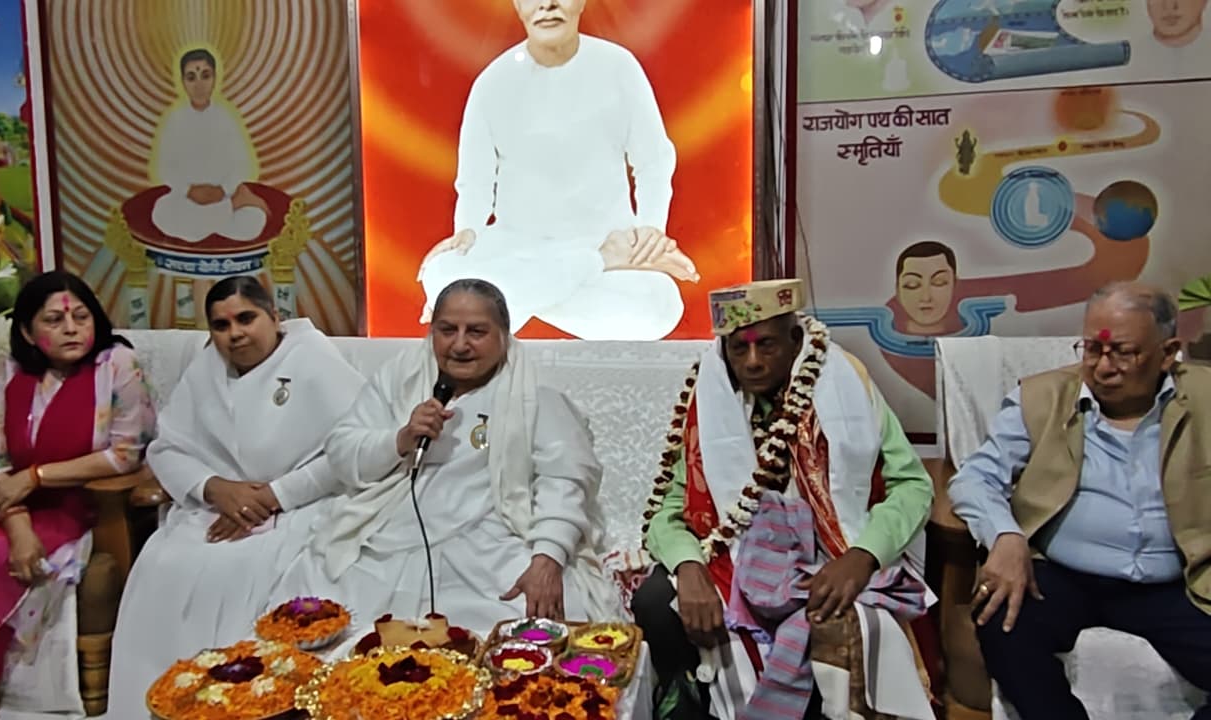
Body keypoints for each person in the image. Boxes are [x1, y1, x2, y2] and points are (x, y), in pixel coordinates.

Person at [633, 279, 936, 720]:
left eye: (767, 345)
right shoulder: (711, 398)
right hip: (733, 558)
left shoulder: (846, 384)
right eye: (739, 349)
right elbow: (668, 507)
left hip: (832, 554)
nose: (753, 361)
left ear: (796, 341)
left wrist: (863, 556)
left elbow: (913, 485)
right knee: (656, 602)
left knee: (853, 623)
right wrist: (688, 565)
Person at [275, 278, 620, 634]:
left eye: (476, 332)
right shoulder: (402, 376)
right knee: (313, 601)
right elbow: (343, 451)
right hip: (387, 526)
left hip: (492, 537)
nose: (459, 345)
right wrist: (400, 439)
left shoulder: (534, 394)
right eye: (447, 330)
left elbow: (564, 481)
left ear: (504, 335)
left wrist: (547, 558)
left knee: (539, 615)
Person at [948, 281, 1211, 720]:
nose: (1103, 367)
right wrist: (1006, 536)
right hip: (1065, 575)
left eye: (1123, 352)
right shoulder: (1043, 397)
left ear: (1168, 353)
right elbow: (975, 478)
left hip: (1183, 580)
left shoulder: (1205, 398)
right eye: (1092, 349)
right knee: (1003, 624)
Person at [106, 276, 362, 719]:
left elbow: (352, 450)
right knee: (165, 564)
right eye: (221, 325)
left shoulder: (314, 358)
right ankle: (166, 701)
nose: (235, 334)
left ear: (275, 317)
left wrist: (274, 496)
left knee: (247, 568)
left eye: (246, 318)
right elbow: (167, 448)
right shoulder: (206, 368)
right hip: (213, 508)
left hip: (300, 506)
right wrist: (214, 488)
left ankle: (250, 703)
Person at [0, 271, 155, 720]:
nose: (71, 328)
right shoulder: (6, 373)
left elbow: (127, 453)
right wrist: (17, 523)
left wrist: (34, 477)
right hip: (6, 505)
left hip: (78, 505)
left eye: (81, 317)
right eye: (54, 320)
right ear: (29, 332)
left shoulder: (116, 365)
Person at [416, 0, 699, 341]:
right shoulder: (493, 81)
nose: (547, 5)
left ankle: (490, 306)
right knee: (440, 270)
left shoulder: (618, 67)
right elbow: (475, 182)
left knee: (660, 304)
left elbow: (653, 161)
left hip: (605, 237)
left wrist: (649, 234)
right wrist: (467, 231)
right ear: (517, 4)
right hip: (521, 247)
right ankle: (596, 261)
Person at [150, 48, 268, 243]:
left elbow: (242, 164)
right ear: (183, 82)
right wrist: (189, 190)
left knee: (253, 222)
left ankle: (218, 215)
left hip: (223, 195)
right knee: (161, 213)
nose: (199, 85)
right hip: (187, 200)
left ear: (214, 78)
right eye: (191, 77)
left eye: (205, 76)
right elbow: (166, 168)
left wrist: (222, 190)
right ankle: (233, 206)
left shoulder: (225, 117)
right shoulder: (175, 119)